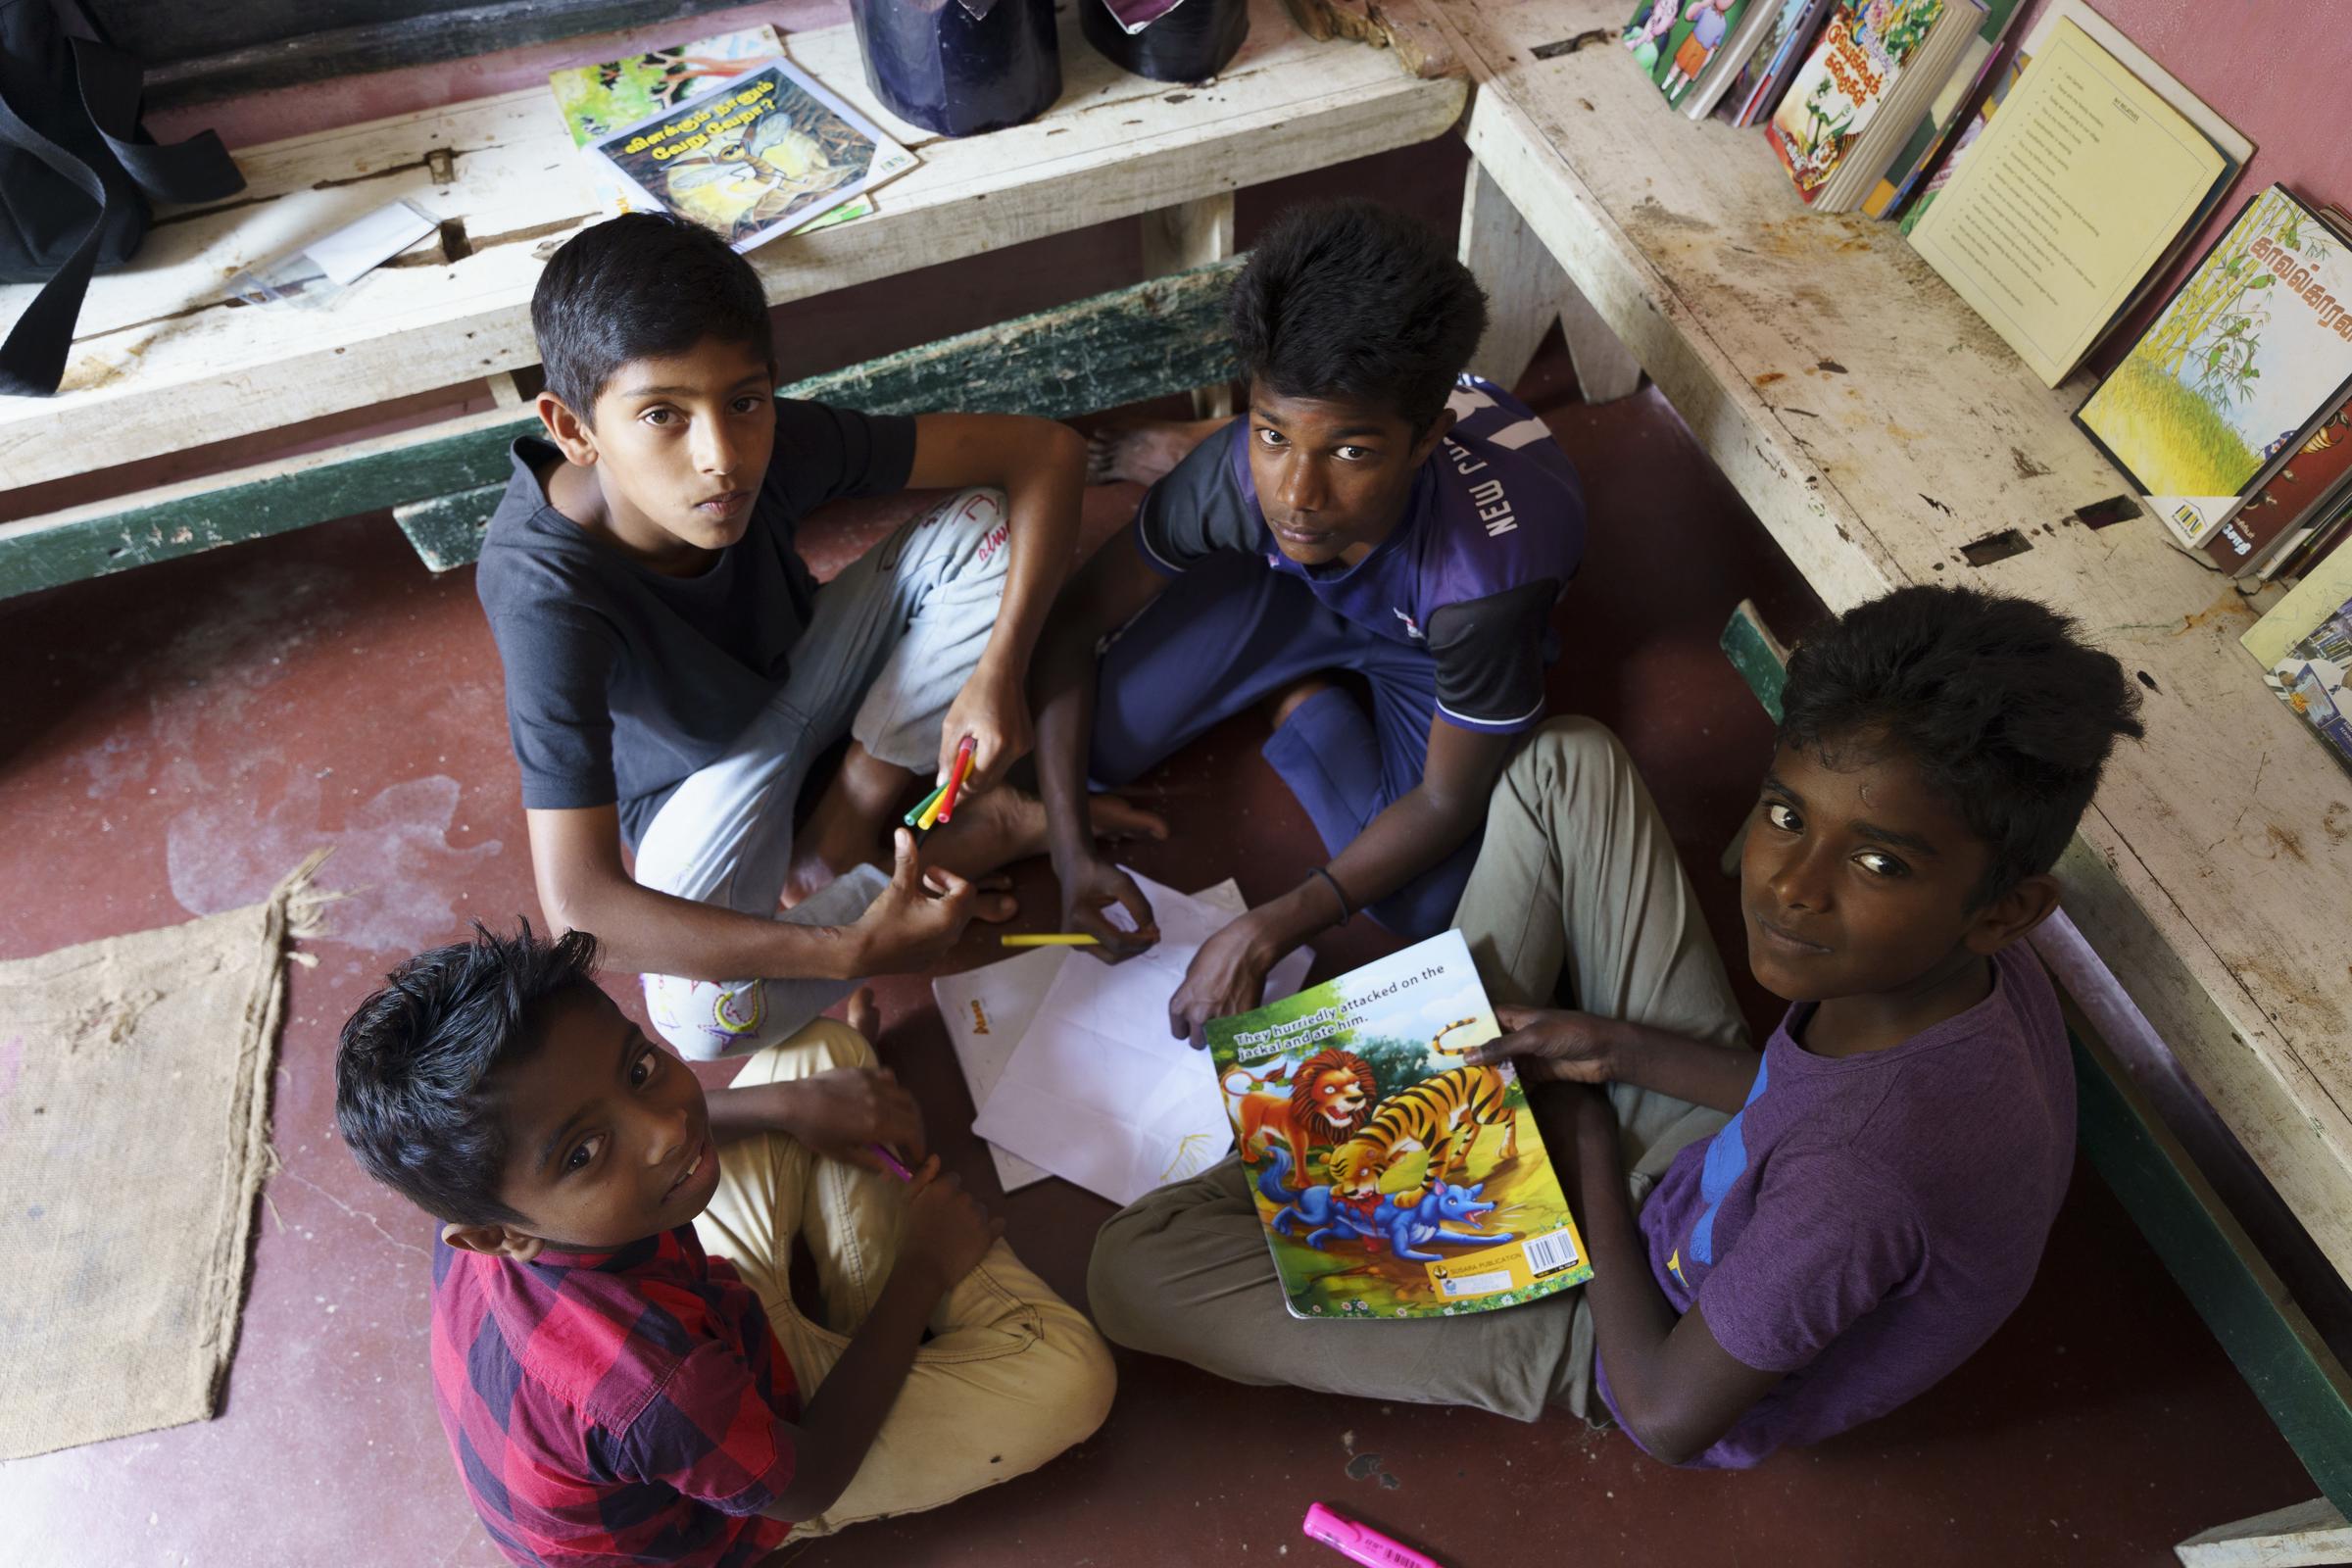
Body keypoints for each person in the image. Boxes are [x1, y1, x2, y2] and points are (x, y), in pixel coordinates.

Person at [1088, 585, 2141, 1467]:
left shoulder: (1861, 1183)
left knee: (1131, 1271)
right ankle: (1339, 1146)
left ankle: (1315, 1162)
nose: (1791, 888)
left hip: (1639, 1326)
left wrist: (1588, 1148)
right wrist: (1616, 1048)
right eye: (1786, 815)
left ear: (2010, 909)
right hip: (1717, 1182)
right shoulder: (1940, 976)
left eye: (1878, 863)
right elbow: (1802, 1101)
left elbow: (1669, 1417)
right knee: (1565, 766)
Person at [477, 212, 1153, 1061]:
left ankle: (847, 829)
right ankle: (947, 850)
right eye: (662, 415)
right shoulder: (542, 590)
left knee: (988, 526)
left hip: (812, 680)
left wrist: (1001, 673)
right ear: (573, 429)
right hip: (705, 781)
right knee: (697, 1025)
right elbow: (580, 911)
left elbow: (1044, 454)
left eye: (745, 401)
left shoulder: (773, 438)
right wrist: (853, 951)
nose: (723, 455)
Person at [335, 923, 1113, 1564]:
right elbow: (810, 1482)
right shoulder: (657, 1391)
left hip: (701, 1305)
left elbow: (641, 1130)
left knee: (825, 1060)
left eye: (639, 1068)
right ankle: (898, 1298)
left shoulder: (487, 1204)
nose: (668, 1128)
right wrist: (921, 1268)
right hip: (751, 1474)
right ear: (496, 1237)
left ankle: (869, 1311)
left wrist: (793, 1102)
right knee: (1071, 1378)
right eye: (582, 1153)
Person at [1030, 199, 1587, 1045]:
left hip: (1425, 641)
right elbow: (1074, 624)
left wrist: (1272, 925)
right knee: (1098, 747)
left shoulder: (1484, 588)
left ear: (1427, 439)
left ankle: (1296, 693)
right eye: (1272, 434)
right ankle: (1294, 653)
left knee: (1424, 902)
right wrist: (1069, 847)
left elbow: (1445, 797)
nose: (1296, 493)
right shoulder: (1237, 483)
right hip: (1299, 582)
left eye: (1351, 452)